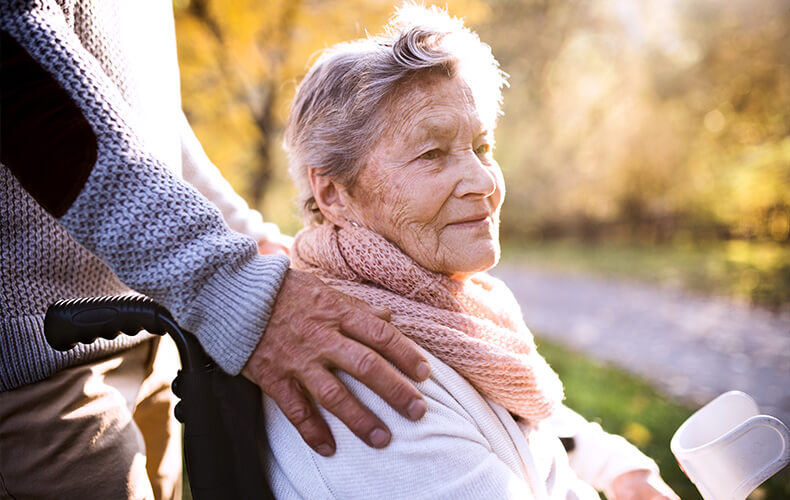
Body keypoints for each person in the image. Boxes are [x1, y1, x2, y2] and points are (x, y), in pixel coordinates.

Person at [0, 1, 431, 498]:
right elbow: (25, 77)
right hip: (39, 361)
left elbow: (134, 111)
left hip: (154, 334)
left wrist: (247, 237)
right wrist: (224, 281)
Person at [264, 5, 681, 499]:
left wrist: (614, 465)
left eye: (482, 147)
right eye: (432, 154)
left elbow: (517, 424)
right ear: (333, 193)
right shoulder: (363, 370)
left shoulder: (439, 307)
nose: (484, 182)